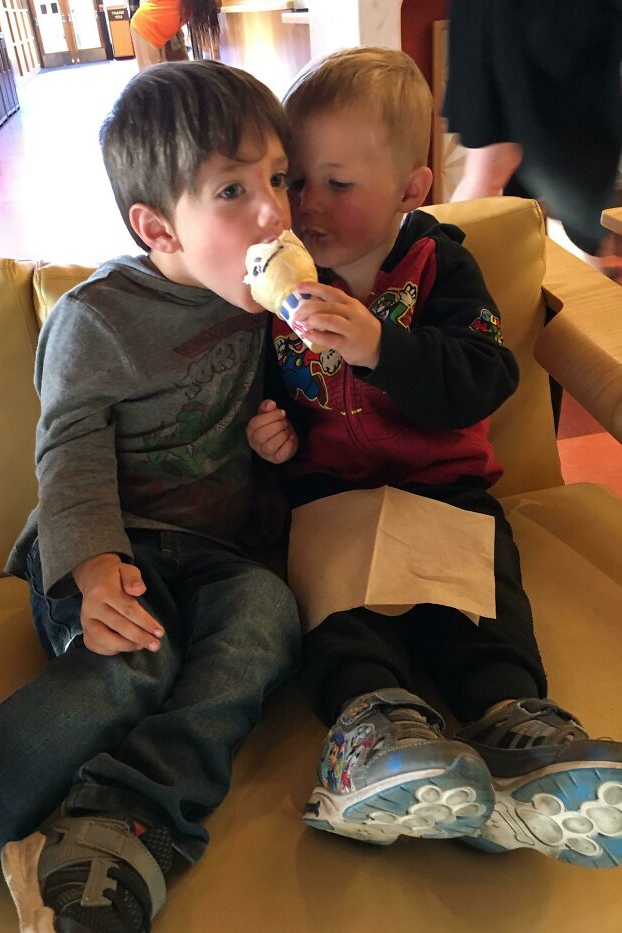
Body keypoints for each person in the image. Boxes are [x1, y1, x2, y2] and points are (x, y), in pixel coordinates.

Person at [0, 61, 301, 932]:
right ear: (156, 226)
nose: (275, 212)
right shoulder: (96, 319)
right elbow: (70, 450)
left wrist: (277, 438)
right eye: (234, 190)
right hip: (107, 552)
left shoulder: (259, 302)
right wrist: (94, 570)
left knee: (270, 614)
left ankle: (124, 817)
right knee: (138, 663)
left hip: (216, 559)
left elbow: (286, 413)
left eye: (278, 178)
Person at [247, 47, 622, 868]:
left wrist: (387, 345)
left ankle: (517, 726)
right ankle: (375, 736)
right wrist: (266, 433)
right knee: (342, 630)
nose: (308, 207)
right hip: (327, 501)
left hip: (444, 494)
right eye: (295, 181)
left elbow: (487, 374)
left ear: (412, 190)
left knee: (481, 617)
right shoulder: (264, 296)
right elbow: (254, 390)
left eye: (338, 184)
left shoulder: (440, 266)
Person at [443, 0, 622, 263]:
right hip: (521, 21)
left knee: (492, 168)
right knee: (495, 166)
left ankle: (442, 271)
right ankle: (442, 272)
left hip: (514, 19)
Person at [130, 0, 219, 69]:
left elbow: (206, 46)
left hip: (158, 28)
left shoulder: (197, 5)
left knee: (164, 72)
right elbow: (206, 47)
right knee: (151, 76)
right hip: (145, 26)